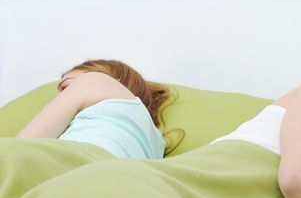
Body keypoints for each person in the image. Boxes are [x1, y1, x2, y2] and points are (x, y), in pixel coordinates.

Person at [16, 59, 180, 159]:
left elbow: (18, 150)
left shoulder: (94, 81)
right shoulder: (157, 143)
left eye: (66, 88)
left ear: (115, 80)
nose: (59, 100)